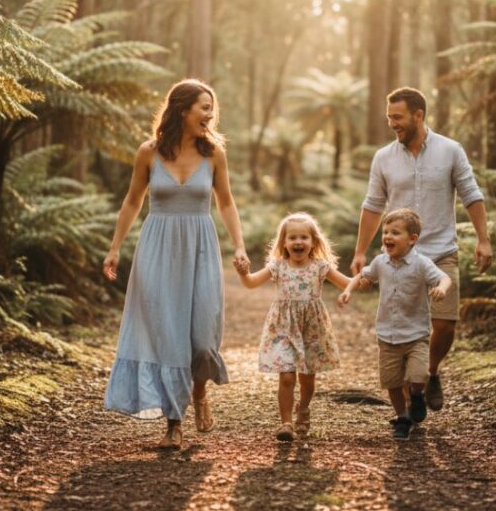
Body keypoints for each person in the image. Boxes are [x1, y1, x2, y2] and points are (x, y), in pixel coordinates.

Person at [101, 79, 249, 450]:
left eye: (211, 107)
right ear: (182, 110)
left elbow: (226, 202)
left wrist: (240, 246)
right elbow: (133, 202)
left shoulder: (214, 153)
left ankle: (199, 392)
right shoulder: (149, 153)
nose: (210, 114)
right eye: (203, 106)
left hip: (200, 246)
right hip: (158, 248)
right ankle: (173, 423)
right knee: (168, 337)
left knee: (202, 338)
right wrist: (115, 247)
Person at [351, 87, 491, 412]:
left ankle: (429, 372)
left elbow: (471, 194)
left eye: (397, 117)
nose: (392, 124)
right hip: (399, 259)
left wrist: (484, 239)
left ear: (418, 115)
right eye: (389, 118)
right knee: (402, 327)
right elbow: (372, 205)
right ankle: (412, 388)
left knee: (445, 323)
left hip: (442, 251)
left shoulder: (451, 151)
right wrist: (360, 251)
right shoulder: (383, 157)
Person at [233, 212, 357, 442]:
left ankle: (304, 407)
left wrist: (370, 276)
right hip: (282, 326)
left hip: (312, 327)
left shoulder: (321, 266)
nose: (298, 242)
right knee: (287, 376)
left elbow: (347, 283)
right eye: (292, 238)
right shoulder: (277, 266)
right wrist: (243, 274)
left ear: (313, 242)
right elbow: (251, 283)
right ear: (284, 243)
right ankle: (286, 423)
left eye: (304, 238)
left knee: (308, 378)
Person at [339, 208, 451, 440]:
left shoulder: (421, 264)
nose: (388, 237)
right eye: (386, 232)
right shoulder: (381, 262)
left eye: (395, 233)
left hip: (416, 334)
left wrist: (441, 287)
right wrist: (349, 290)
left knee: (418, 375)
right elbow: (362, 276)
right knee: (392, 382)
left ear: (412, 239)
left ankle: (418, 396)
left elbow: (444, 277)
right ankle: (402, 417)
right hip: (387, 336)